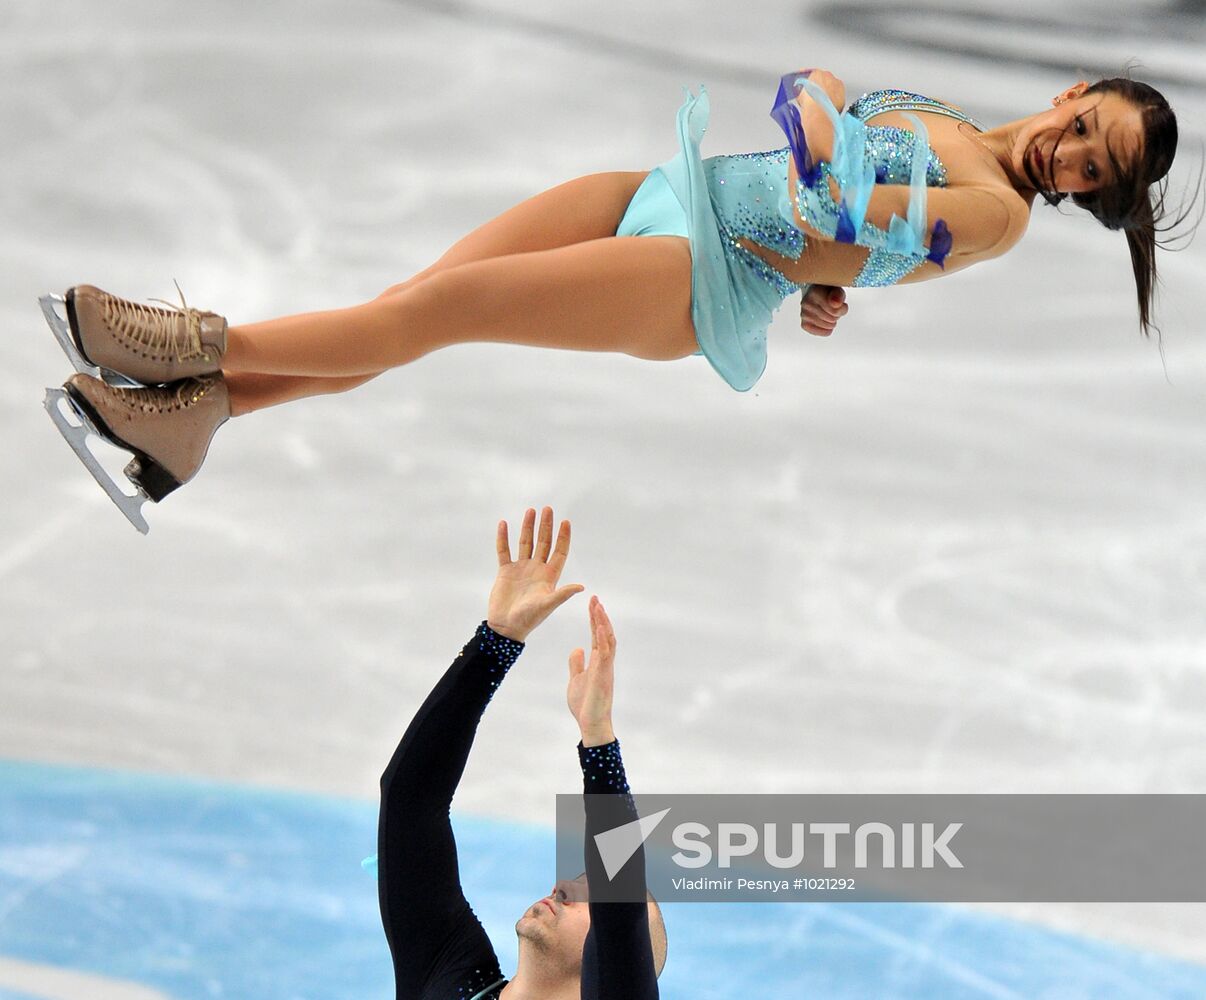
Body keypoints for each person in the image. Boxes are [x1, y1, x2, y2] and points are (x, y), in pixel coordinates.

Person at [40, 68, 1180, 531]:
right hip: (676, 192)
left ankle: (179, 347)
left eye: (1096, 172)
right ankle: (195, 423)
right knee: (418, 296)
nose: (1070, 158)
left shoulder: (1003, 210)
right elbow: (840, 155)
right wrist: (824, 123)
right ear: (1075, 89)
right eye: (1087, 130)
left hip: (704, 272)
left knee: (428, 318)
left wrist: (822, 137)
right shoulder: (960, 124)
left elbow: (837, 221)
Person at [374, 506, 666, 999]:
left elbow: (621, 913)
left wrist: (598, 740)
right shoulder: (447, 975)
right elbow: (410, 800)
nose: (563, 889)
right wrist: (497, 641)